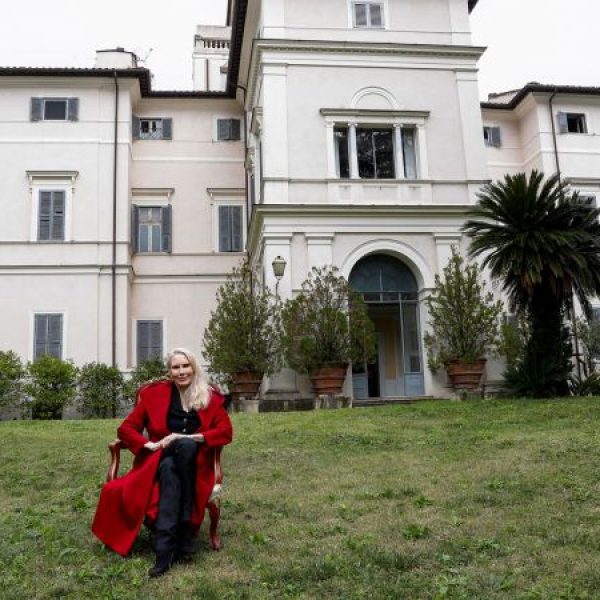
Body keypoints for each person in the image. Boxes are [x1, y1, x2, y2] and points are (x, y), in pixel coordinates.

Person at [91, 348, 233, 577]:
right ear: (170, 371)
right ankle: (185, 532)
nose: (182, 371)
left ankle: (164, 550)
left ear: (194, 367)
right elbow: (126, 428)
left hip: (195, 465)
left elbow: (225, 432)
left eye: (186, 366)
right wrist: (146, 444)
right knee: (171, 458)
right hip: (158, 458)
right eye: (176, 367)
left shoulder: (210, 397)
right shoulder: (154, 394)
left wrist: (187, 437)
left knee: (176, 459)